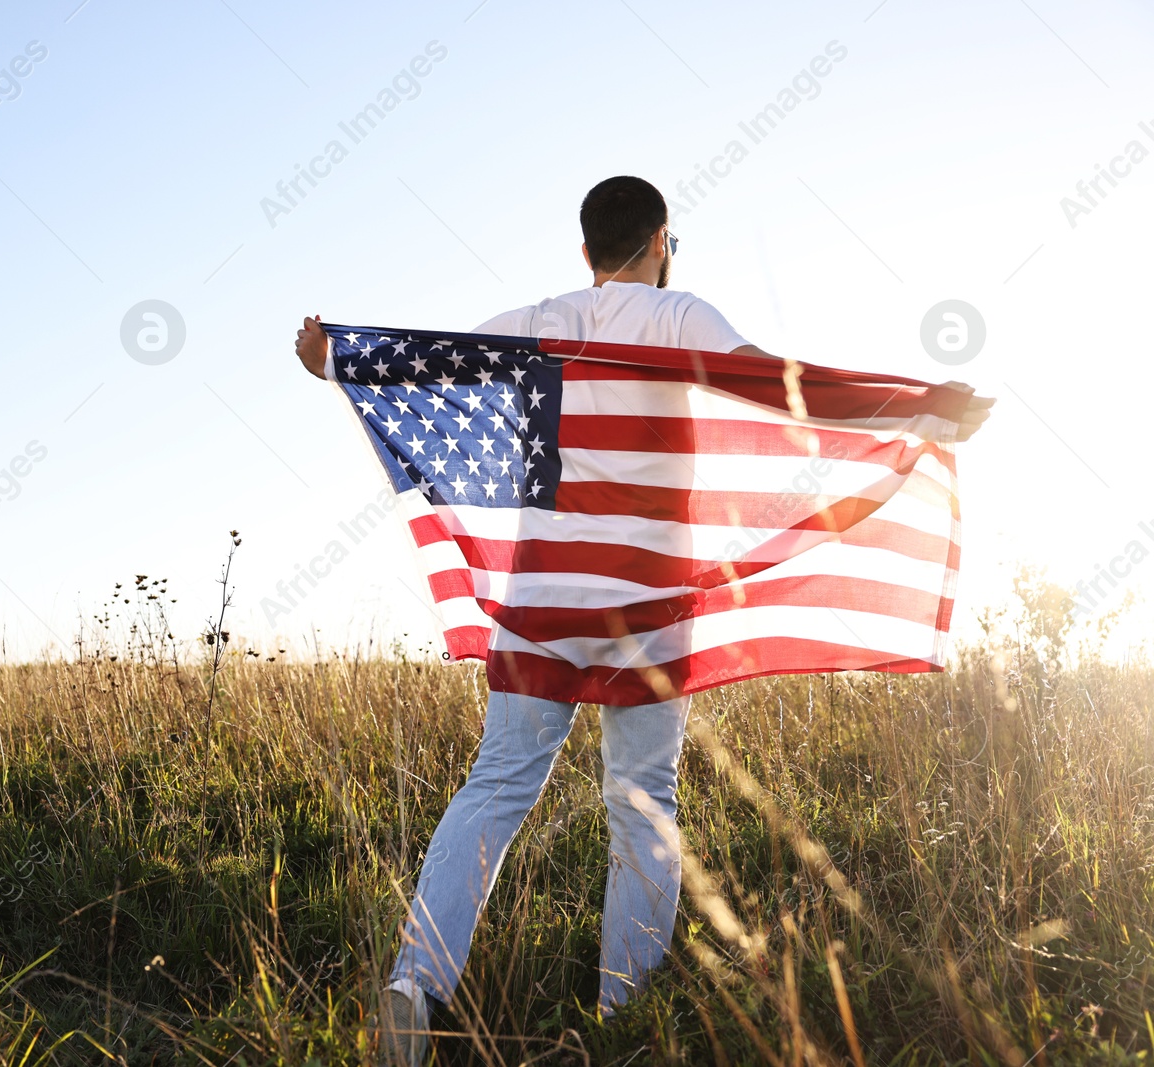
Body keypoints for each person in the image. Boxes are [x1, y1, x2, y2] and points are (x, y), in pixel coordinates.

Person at [292, 176, 993, 1065]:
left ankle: (415, 985)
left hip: (546, 593)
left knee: (499, 785)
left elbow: (436, 356)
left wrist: (336, 358)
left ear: (586, 252)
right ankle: (625, 1023)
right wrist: (916, 406)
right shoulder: (681, 317)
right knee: (641, 800)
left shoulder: (547, 315)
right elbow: (771, 384)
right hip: (651, 599)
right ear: (663, 241)